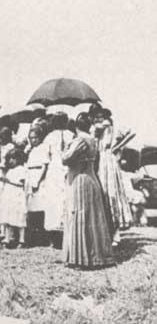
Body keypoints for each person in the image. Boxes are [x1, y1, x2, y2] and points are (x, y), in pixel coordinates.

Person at [62, 113, 114, 269]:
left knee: (80, 215)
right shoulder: (92, 139)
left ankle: (82, 257)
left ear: (76, 126)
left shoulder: (79, 140)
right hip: (91, 178)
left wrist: (64, 148)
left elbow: (66, 159)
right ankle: (96, 255)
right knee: (93, 218)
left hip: (80, 180)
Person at [92, 107, 133, 246]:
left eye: (100, 116)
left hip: (108, 162)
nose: (98, 119)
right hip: (99, 162)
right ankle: (108, 233)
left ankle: (115, 234)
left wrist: (118, 147)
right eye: (96, 117)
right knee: (103, 195)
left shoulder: (107, 126)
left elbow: (130, 133)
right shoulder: (97, 129)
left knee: (110, 193)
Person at [42, 112, 74, 247]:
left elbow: (46, 156)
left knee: (54, 200)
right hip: (66, 168)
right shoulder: (71, 135)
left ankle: (55, 237)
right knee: (65, 198)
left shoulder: (49, 137)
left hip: (54, 169)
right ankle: (67, 232)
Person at [24, 125, 49, 245]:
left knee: (39, 207)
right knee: (31, 207)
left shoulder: (43, 148)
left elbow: (44, 165)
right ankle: (32, 236)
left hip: (38, 175)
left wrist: (37, 181)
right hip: (30, 174)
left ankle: (41, 236)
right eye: (31, 138)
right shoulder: (31, 149)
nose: (33, 140)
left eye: (35, 138)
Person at [0, 148, 27, 248]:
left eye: (13, 158)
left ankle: (21, 240)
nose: (11, 161)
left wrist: (8, 181)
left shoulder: (21, 169)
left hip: (17, 195)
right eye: (9, 158)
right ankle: (7, 238)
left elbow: (21, 184)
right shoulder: (10, 170)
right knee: (8, 216)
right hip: (9, 195)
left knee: (19, 216)